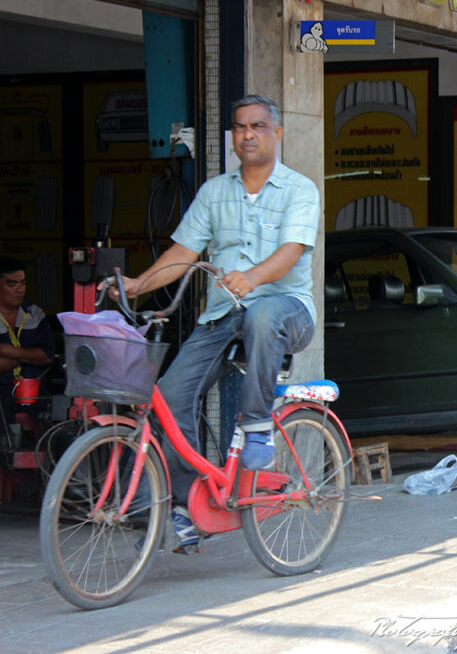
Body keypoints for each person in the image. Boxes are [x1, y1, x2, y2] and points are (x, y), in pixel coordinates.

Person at [115, 95, 319, 551]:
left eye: (259, 126)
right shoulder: (214, 192)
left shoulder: (300, 189)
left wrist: (252, 276)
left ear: (277, 134)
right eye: (240, 127)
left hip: (286, 309)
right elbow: (182, 255)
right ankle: (188, 504)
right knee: (169, 396)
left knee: (264, 313)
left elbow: (290, 254)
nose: (248, 134)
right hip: (222, 316)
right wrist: (136, 286)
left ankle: (258, 425)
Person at [0, 257, 55, 436]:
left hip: (35, 394)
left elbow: (47, 356)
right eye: (11, 284)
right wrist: (28, 356)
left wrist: (8, 351)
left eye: (23, 283)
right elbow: (38, 355)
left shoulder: (33, 312)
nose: (20, 289)